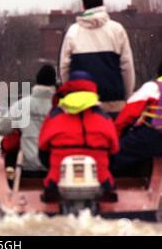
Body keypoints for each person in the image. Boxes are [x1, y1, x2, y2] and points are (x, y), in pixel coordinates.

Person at [38, 71, 119, 202]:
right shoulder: (104, 117)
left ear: (69, 88)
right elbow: (114, 150)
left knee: (50, 190)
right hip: (101, 178)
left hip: (57, 178)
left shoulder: (54, 115)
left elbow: (42, 150)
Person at [59, 0, 135, 117]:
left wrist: (70, 94)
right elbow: (127, 67)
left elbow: (64, 68)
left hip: (81, 106)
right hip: (113, 103)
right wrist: (126, 96)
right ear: (102, 4)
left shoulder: (72, 32)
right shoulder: (117, 30)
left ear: (83, 6)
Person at [110, 58, 162, 176]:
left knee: (112, 157)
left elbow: (128, 113)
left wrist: (113, 136)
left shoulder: (153, 87)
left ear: (158, 73)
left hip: (146, 138)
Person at [0, 64, 57, 175]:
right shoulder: (60, 106)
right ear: (54, 83)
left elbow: (3, 128)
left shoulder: (23, 104)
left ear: (37, 81)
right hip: (55, 168)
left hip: (28, 167)